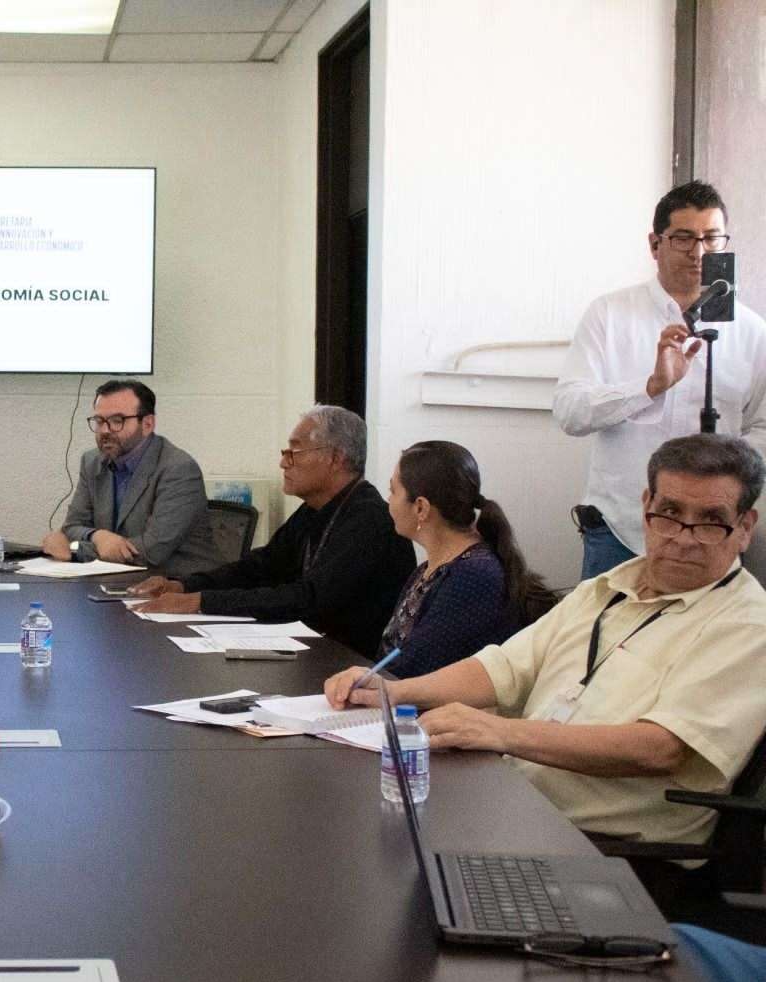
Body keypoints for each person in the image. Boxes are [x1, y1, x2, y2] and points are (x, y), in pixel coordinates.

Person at [324, 434, 766, 861]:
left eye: (710, 521)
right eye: (669, 513)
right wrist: (395, 690)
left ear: (745, 527)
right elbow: (504, 667)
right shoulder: (603, 589)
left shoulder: (746, 624)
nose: (684, 537)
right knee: (352, 816)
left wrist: (499, 733)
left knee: (379, 855)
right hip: (518, 805)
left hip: (605, 849)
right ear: (646, 506)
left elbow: (660, 747)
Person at [554, 180, 766, 579]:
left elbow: (762, 427)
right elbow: (570, 413)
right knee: (606, 620)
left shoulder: (752, 331)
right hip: (620, 528)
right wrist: (649, 387)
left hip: (712, 533)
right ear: (655, 245)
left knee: (710, 623)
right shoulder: (609, 315)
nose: (699, 252)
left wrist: (728, 476)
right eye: (683, 238)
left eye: (711, 238)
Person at [131, 405, 415, 656]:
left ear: (335, 458)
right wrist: (185, 585)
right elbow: (261, 567)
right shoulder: (314, 509)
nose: (283, 462)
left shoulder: (369, 519)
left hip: (351, 663)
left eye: (295, 452)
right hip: (313, 651)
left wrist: (201, 602)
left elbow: (309, 599)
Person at [378, 441, 554, 676]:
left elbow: (415, 670)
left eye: (393, 491)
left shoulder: (473, 577)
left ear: (421, 508)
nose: (389, 500)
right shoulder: (429, 571)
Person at [39, 380, 220, 575]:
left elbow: (150, 552)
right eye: (99, 421)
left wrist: (74, 548)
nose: (105, 430)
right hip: (115, 580)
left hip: (180, 584)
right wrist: (98, 536)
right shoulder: (92, 462)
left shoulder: (178, 469)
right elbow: (72, 526)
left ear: (148, 424)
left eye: (117, 421)